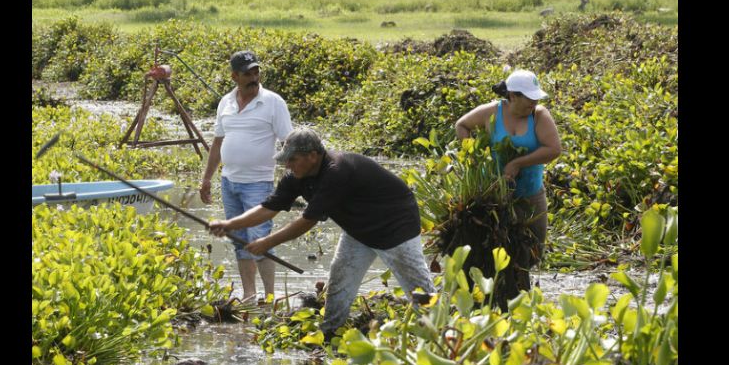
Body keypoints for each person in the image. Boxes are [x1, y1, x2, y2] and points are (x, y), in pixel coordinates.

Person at [208, 128, 436, 340]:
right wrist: (230, 224)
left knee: (421, 293)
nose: (288, 165)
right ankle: (329, 334)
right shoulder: (295, 177)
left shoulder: (336, 172)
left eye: (293, 159)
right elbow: (270, 207)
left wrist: (267, 242)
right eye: (286, 160)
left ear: (313, 156)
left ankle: (438, 335)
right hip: (358, 230)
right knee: (339, 282)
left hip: (395, 226)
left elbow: (307, 221)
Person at [200, 50, 293, 302]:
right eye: (247, 74)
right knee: (239, 240)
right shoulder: (226, 103)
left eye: (256, 72)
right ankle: (250, 296)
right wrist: (207, 178)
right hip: (229, 182)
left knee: (261, 240)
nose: (253, 77)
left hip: (259, 184)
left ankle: (271, 297)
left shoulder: (273, 102)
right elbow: (218, 143)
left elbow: (289, 144)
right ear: (234, 76)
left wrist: (293, 184)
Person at [454, 69, 561, 285]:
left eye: (536, 97)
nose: (534, 102)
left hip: (530, 194)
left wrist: (517, 163)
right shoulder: (492, 112)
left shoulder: (539, 115)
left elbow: (554, 149)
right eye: (529, 98)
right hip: (493, 194)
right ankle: (498, 292)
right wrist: (473, 157)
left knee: (533, 251)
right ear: (512, 96)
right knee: (491, 250)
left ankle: (516, 286)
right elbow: (461, 126)